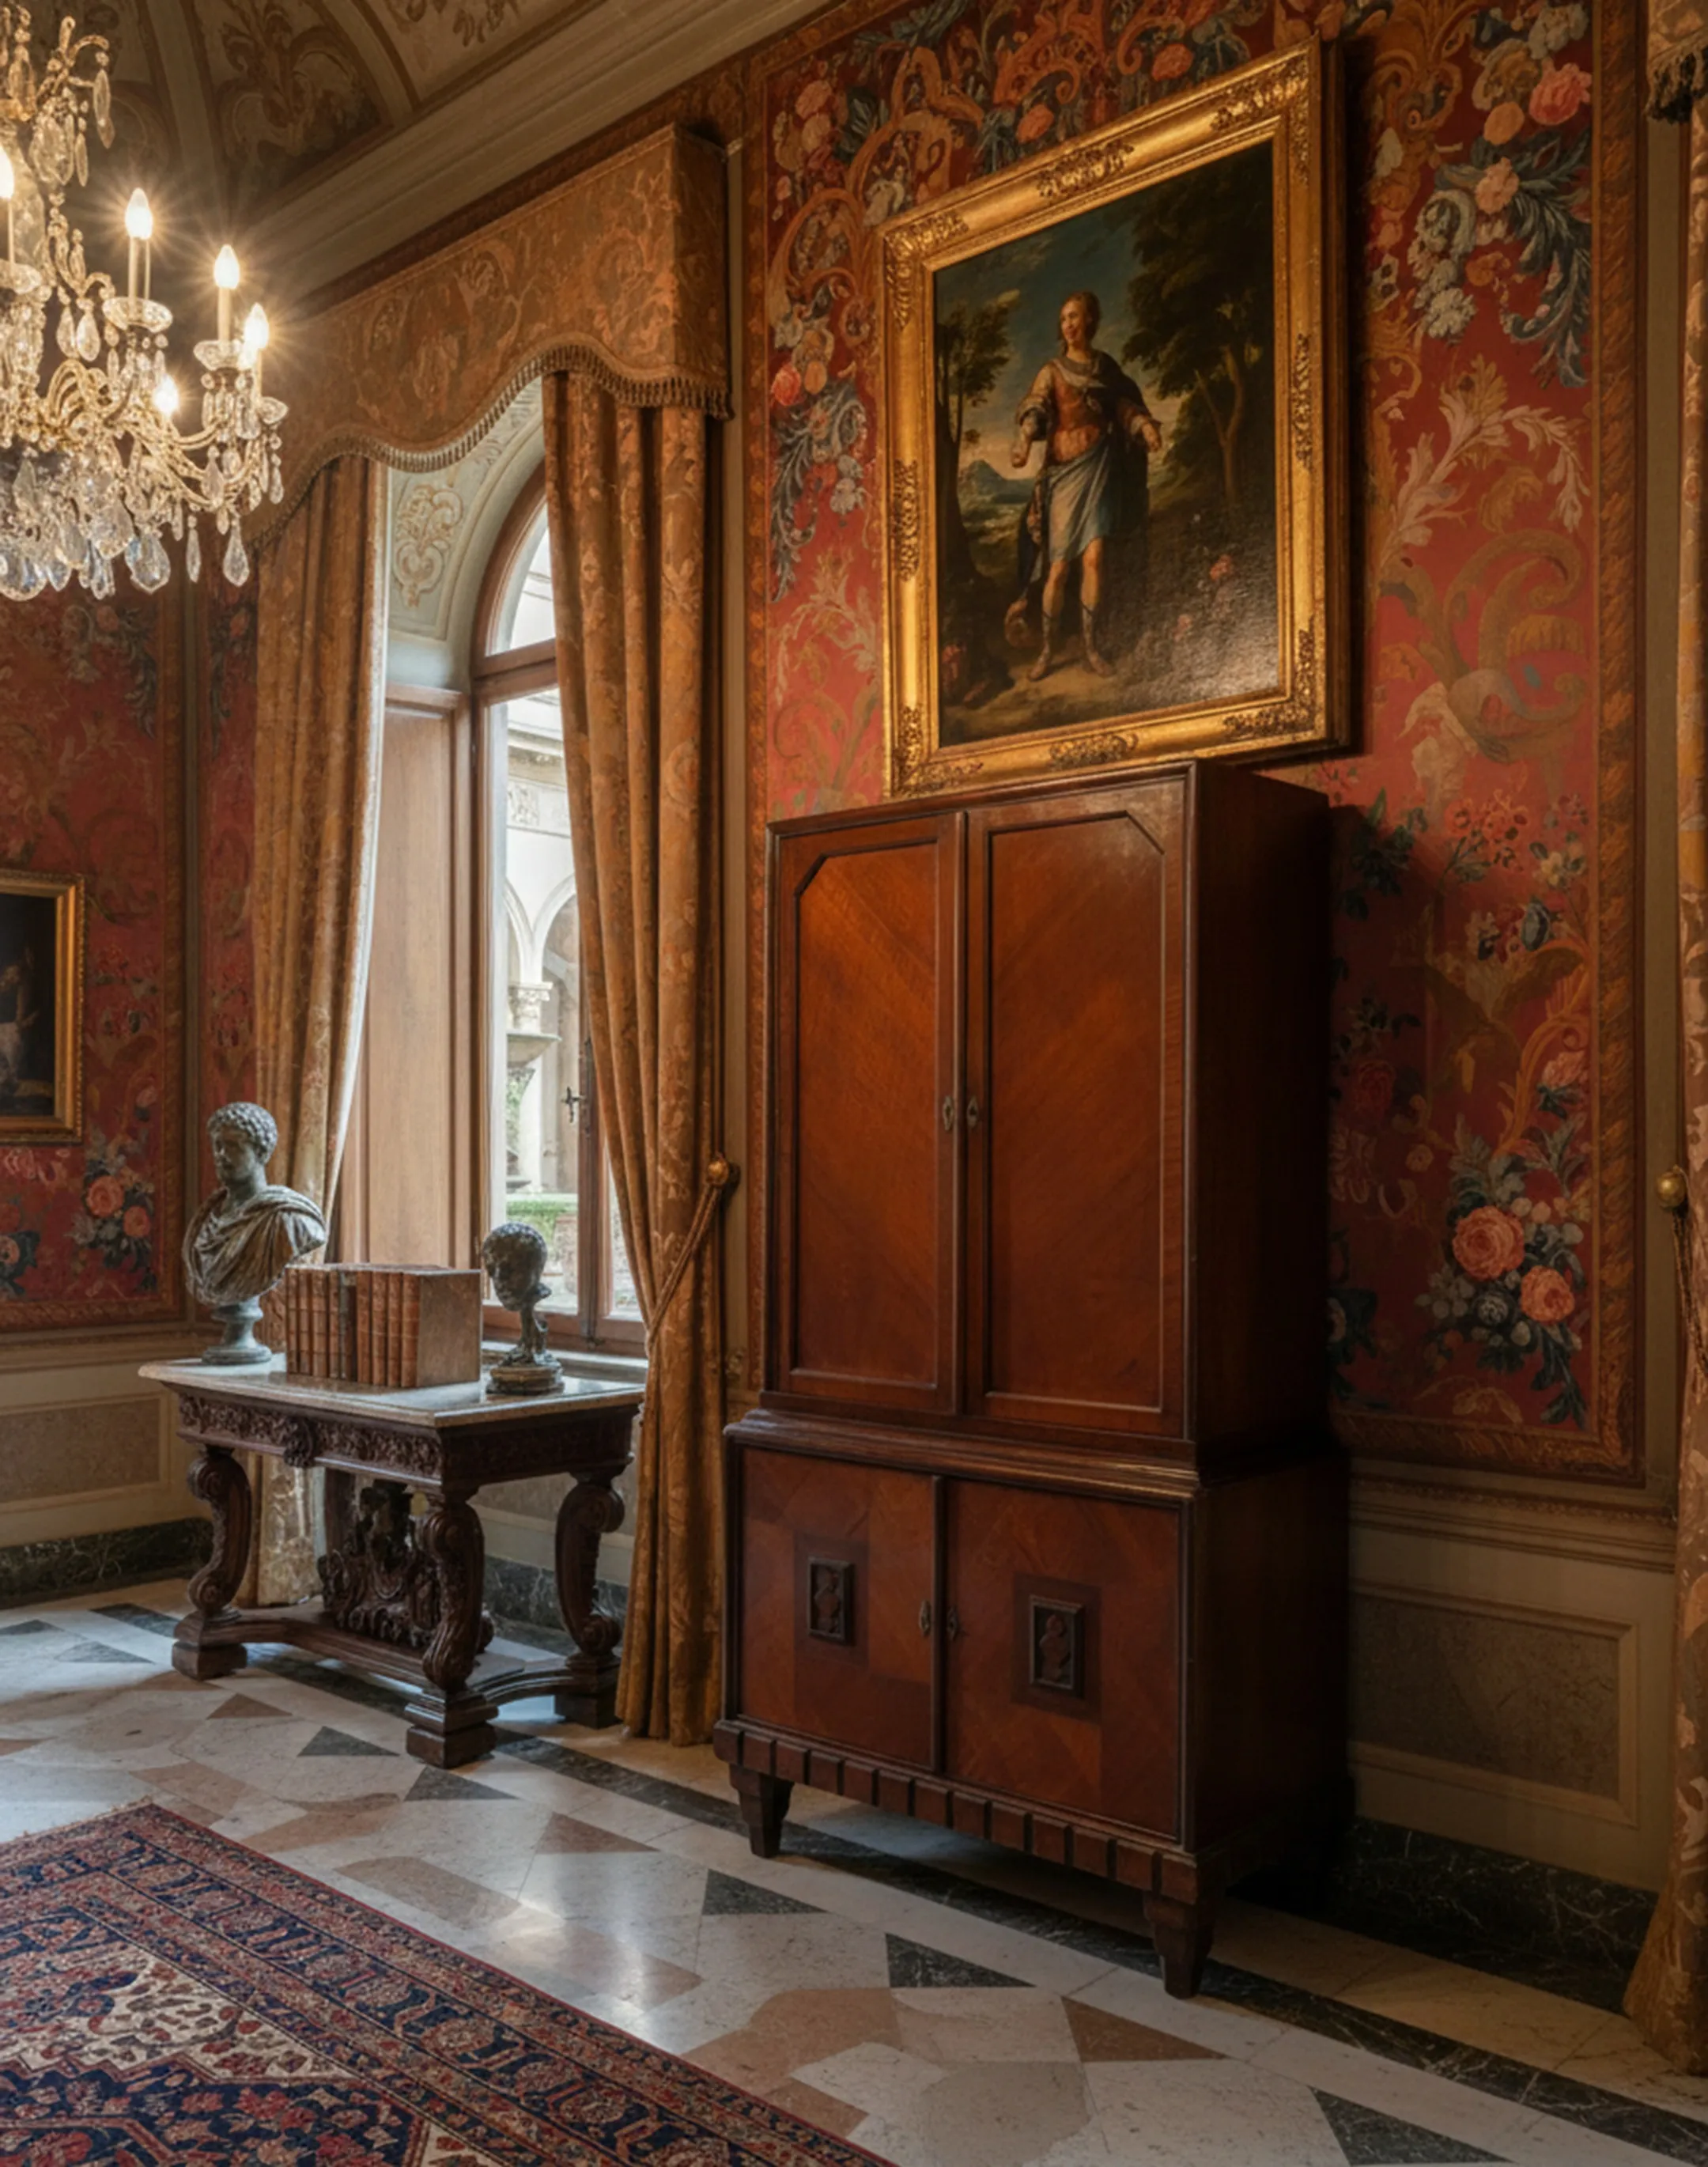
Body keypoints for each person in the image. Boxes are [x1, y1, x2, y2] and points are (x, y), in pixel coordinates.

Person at [1010, 289, 1163, 681]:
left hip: (1099, 472)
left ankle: (1091, 646)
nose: (1069, 325)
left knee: (1094, 560)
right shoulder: (1052, 370)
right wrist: (1025, 440)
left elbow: (1124, 405)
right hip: (1064, 476)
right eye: (1064, 319)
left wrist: (1144, 426)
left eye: (1075, 316)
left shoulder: (1105, 368)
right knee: (1058, 570)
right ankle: (1048, 649)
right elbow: (1037, 407)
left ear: (1090, 321)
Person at [183, 1101, 327, 1310]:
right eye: (217, 1146)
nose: (221, 1155)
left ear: (261, 1152)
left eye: (233, 1146)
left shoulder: (287, 1219)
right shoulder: (204, 1219)